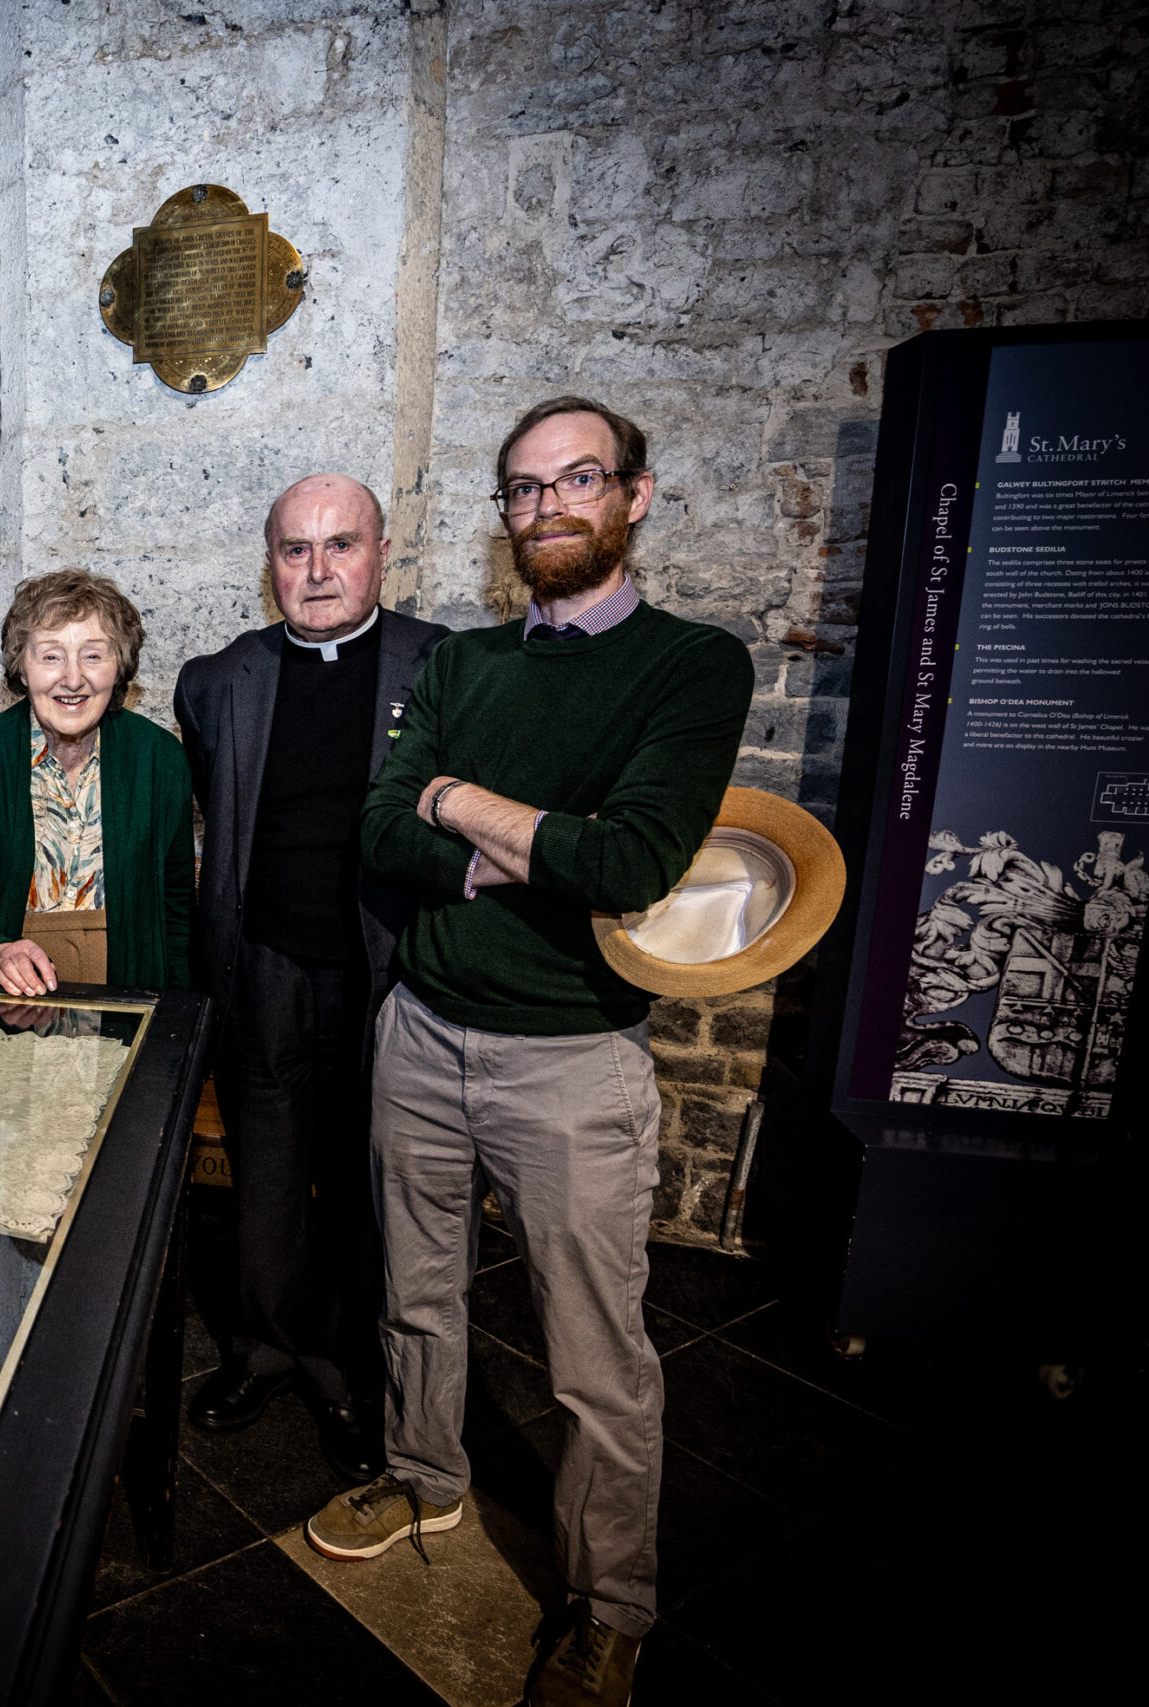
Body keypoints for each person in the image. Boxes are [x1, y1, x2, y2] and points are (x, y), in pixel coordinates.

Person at [302, 398, 755, 1707]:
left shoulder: (692, 666)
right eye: (523, 487)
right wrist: (506, 830)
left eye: (579, 479)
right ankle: (424, 1471)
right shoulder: (462, 667)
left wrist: (461, 800)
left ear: (636, 496)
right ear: (505, 511)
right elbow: (385, 830)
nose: (549, 505)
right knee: (417, 1288)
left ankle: (611, 1601)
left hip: (572, 1059)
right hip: (423, 1030)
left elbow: (630, 861)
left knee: (594, 1354)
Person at [172, 474, 448, 1473]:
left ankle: (349, 1365)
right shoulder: (216, 680)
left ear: (380, 552)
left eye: (341, 545)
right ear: (270, 563)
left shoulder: (443, 665)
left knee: (373, 1177)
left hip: (390, 973)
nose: (318, 570)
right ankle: (263, 1348)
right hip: (265, 967)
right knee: (268, 1170)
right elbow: (220, 808)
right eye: (295, 549)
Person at [0, 569, 193, 992]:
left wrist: (173, 1014)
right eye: (51, 656)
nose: (72, 679)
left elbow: (177, 912)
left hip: (129, 1002)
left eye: (93, 655)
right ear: (22, 667)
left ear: (119, 665)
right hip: (8, 1007)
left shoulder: (160, 759)